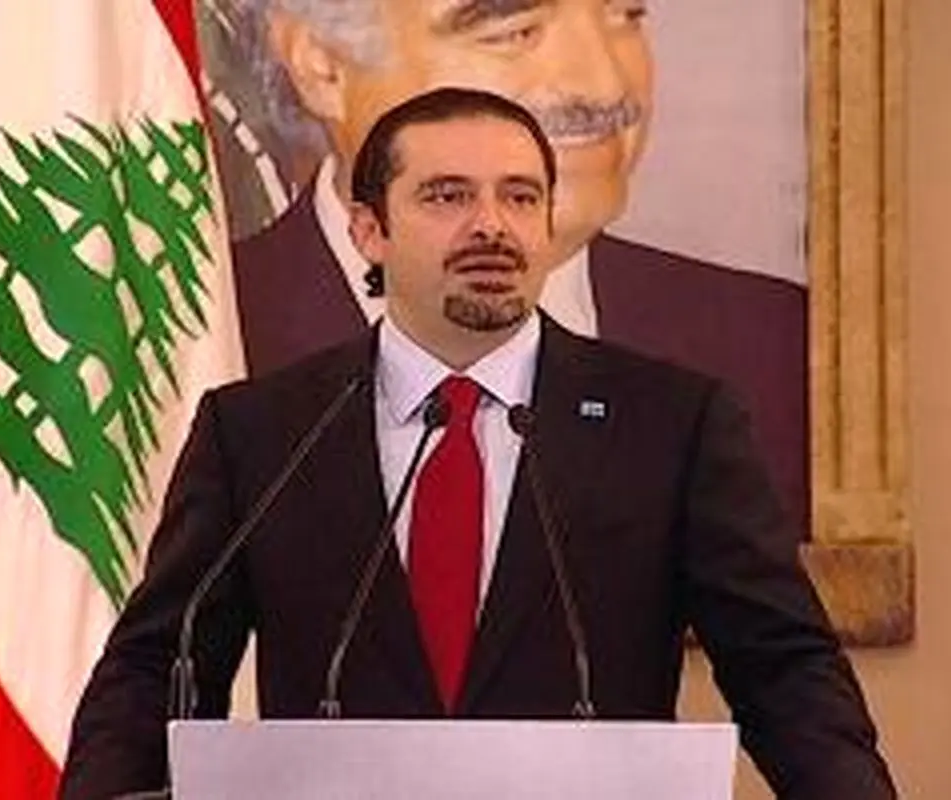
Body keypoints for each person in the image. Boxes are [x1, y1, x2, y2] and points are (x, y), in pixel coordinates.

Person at [61, 87, 893, 799]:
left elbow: (784, 670)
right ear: (369, 230)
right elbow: (156, 668)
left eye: (521, 197)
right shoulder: (261, 432)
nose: (492, 226)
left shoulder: (674, 424)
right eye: (448, 196)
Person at [218, 0, 810, 532]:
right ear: (322, 65)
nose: (604, 85)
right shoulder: (208, 342)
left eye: (625, 15)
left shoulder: (779, 351)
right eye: (512, 30)